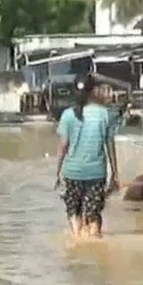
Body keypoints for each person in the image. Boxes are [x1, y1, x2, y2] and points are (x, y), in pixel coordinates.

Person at [53, 72, 120, 238]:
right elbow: (110, 145)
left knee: (74, 213)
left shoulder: (67, 115)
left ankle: (77, 244)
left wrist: (57, 172)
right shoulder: (104, 114)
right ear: (93, 91)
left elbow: (63, 147)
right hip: (96, 173)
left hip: (72, 173)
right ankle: (95, 245)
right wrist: (115, 174)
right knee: (93, 215)